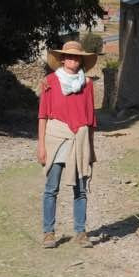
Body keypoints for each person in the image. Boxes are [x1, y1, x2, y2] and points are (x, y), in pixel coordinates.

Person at [37, 40, 98, 249]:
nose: (73, 59)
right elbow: (43, 116)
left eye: (76, 56)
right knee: (51, 188)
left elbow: (90, 119)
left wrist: (91, 148)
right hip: (56, 138)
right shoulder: (49, 82)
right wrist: (41, 146)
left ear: (81, 60)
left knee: (81, 190)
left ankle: (81, 232)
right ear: (62, 59)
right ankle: (48, 233)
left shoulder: (88, 84)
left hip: (80, 140)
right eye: (69, 56)